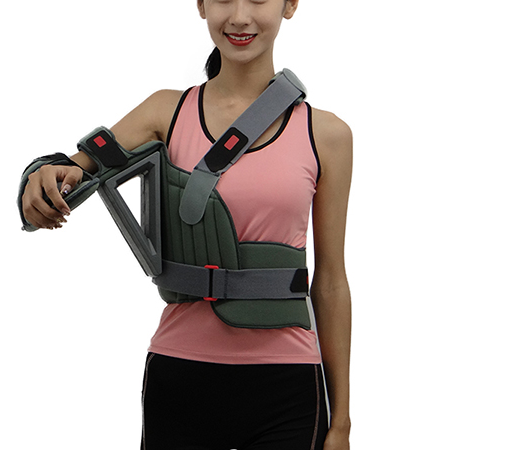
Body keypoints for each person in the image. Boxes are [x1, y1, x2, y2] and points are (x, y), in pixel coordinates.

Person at [21, 0, 352, 449]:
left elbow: (330, 281)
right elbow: (75, 170)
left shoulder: (327, 135)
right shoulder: (165, 113)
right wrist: (42, 177)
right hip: (181, 377)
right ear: (200, 5)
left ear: (290, 4)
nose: (239, 16)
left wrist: (341, 421)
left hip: (288, 386)